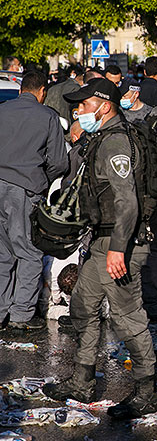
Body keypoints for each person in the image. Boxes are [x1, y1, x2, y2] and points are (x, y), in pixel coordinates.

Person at [43, 78, 157, 419]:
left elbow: (127, 203)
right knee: (82, 305)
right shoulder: (104, 137)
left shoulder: (116, 143)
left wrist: (118, 250)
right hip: (102, 241)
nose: (78, 110)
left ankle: (146, 390)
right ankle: (81, 381)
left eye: (83, 105)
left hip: (120, 244)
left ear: (104, 106)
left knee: (128, 319)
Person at [0, 70, 68, 330]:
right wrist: (41, 180)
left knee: (2, 254)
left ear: (20, 90)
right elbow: (59, 162)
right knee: (29, 253)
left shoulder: (2, 110)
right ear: (43, 93)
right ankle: (21, 316)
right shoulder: (48, 116)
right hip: (25, 189)